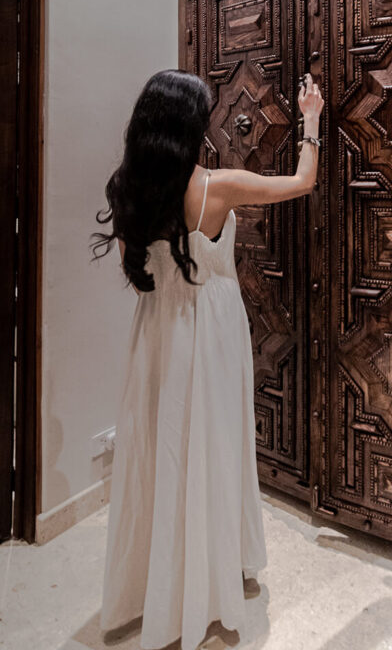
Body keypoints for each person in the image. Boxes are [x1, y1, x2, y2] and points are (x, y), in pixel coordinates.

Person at [91, 68, 323, 650]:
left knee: (160, 450)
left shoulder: (127, 187)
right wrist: (312, 118)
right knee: (212, 447)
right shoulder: (216, 186)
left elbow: (137, 272)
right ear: (190, 124)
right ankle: (208, 577)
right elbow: (301, 181)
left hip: (156, 333)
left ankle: (158, 581)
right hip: (211, 328)